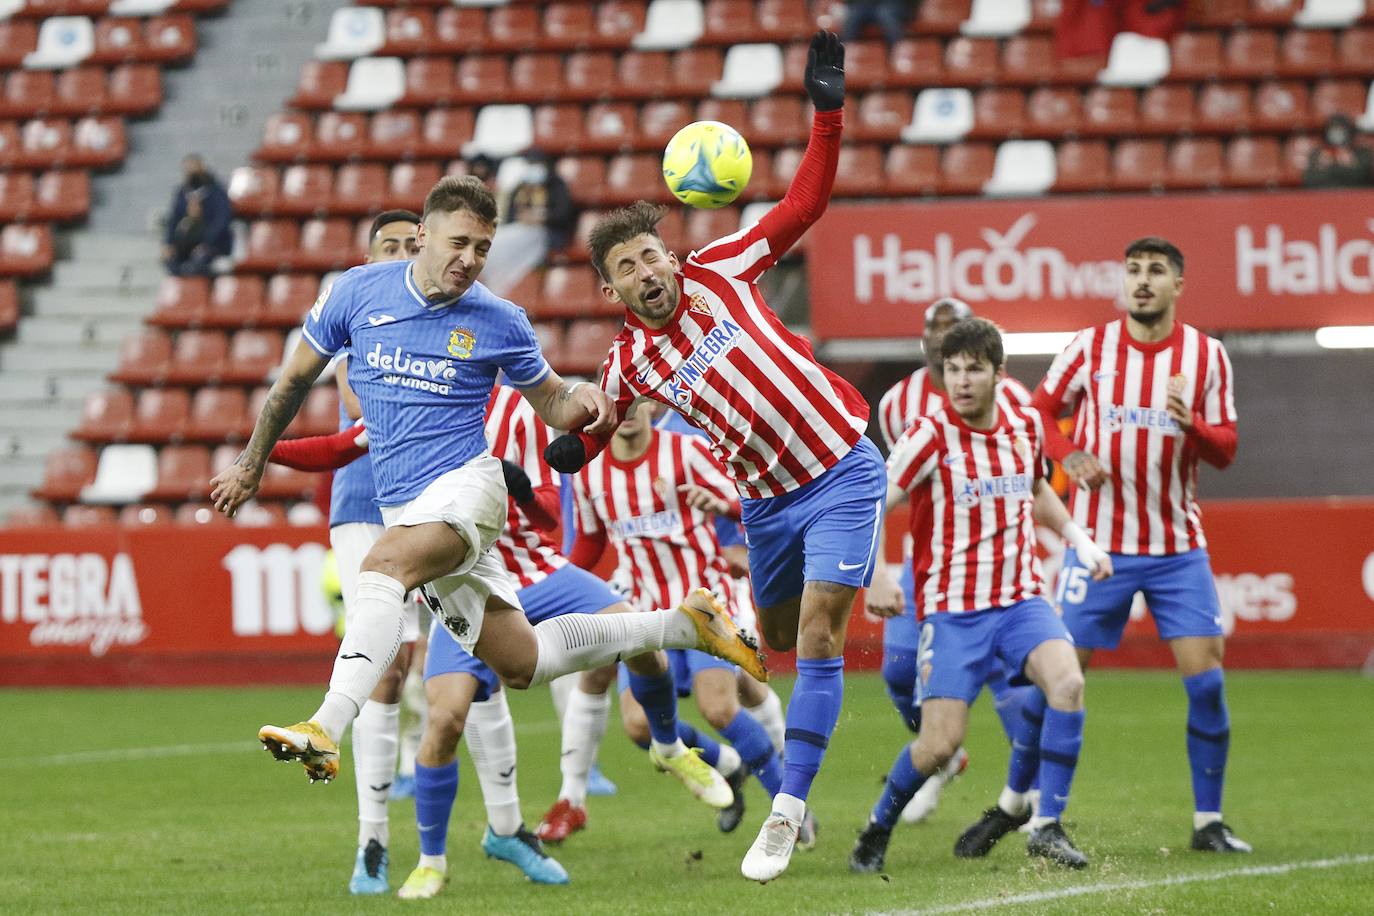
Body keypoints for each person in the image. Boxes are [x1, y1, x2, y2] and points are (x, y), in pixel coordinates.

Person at [208, 176, 766, 799]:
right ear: (423, 236)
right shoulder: (355, 295)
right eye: (458, 243)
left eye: (482, 247)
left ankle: (326, 724)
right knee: (523, 663)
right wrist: (253, 463)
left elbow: (553, 401)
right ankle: (683, 624)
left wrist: (582, 398)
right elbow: (290, 386)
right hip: (404, 507)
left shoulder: (499, 320)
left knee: (383, 565)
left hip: (467, 490)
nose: (469, 260)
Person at [543, 32, 881, 883]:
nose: (647, 270)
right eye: (627, 267)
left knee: (817, 631)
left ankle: (788, 806)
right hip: (765, 503)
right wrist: (569, 447)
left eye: (651, 253)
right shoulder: (628, 363)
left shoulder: (723, 267)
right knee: (768, 641)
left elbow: (802, 208)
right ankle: (779, 718)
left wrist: (828, 114)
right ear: (612, 291)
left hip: (841, 464)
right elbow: (594, 430)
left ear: (670, 254)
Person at [849, 318, 1108, 874]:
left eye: (973, 369)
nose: (961, 381)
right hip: (954, 613)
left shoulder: (1023, 425)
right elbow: (873, 504)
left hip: (1019, 601)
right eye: (952, 370)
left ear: (998, 374)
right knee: (940, 744)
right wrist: (879, 574)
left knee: (1067, 683)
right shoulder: (929, 434)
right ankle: (877, 827)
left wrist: (1080, 541)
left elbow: (1036, 488)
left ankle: (1046, 824)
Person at [1031, 237, 1250, 854]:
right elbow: (1038, 413)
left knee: (1206, 683)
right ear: (1122, 283)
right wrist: (1068, 454)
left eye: (1156, 271)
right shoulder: (1089, 347)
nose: (1143, 281)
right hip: (1097, 546)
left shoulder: (1207, 357)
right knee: (1060, 677)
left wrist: (1193, 427)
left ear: (1178, 284)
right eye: (1133, 271)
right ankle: (1042, 818)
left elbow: (1227, 448)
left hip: (1177, 547)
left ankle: (1209, 822)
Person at [267, 209, 426, 894]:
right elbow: (356, 394)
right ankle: (371, 842)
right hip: (365, 497)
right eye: (387, 246)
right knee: (386, 669)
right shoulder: (352, 306)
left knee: (450, 669)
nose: (398, 255)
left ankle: (503, 826)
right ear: (367, 259)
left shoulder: (446, 310)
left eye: (410, 246)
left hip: (431, 498)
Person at [567, 402, 794, 839]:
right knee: (638, 726)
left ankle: (787, 813)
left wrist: (722, 505)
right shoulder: (590, 474)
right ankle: (726, 765)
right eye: (616, 403)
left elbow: (748, 504)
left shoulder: (686, 453)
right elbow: (591, 544)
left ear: (653, 405)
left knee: (719, 707)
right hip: (644, 611)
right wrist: (555, 581)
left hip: (703, 603)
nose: (627, 410)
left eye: (635, 401)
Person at [869, 297, 1037, 824]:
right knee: (898, 671)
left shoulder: (1016, 402)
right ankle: (938, 754)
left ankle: (1028, 799)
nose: (942, 340)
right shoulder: (898, 404)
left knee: (1023, 680)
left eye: (953, 331)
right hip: (932, 568)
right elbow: (895, 487)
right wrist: (882, 567)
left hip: (1000, 571)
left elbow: (1032, 477)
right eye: (934, 332)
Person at [481, 150, 577, 296]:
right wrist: (523, 218)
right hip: (522, 230)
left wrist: (543, 218)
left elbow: (563, 214)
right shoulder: (521, 187)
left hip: (549, 234)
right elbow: (510, 215)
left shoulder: (556, 185)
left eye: (537, 164)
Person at [162, 154, 232, 277]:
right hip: (186, 242)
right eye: (188, 169)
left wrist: (206, 243)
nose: (191, 172)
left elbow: (221, 221)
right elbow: (173, 220)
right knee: (171, 261)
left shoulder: (216, 192)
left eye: (194, 167)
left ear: (202, 168)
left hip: (213, 244)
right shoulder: (182, 193)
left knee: (200, 261)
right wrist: (168, 244)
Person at [1302, 114, 1374, 189]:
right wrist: (1321, 167)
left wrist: (1352, 165)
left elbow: (1365, 181)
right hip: (1325, 196)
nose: (1337, 135)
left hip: (1354, 196)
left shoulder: (1363, 153)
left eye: (1341, 130)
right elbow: (1309, 181)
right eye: (1333, 130)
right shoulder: (1317, 154)